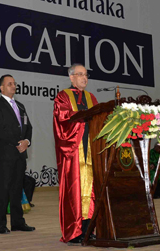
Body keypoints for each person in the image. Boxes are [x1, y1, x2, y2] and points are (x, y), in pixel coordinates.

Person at [53, 64, 98, 244]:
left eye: (86, 75)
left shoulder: (91, 97)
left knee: (90, 190)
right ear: (71, 77)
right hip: (73, 152)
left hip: (90, 150)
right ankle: (74, 232)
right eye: (80, 75)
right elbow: (63, 120)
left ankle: (88, 229)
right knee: (74, 191)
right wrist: (83, 116)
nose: (84, 78)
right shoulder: (63, 96)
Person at [0, 74, 34, 234]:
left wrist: (26, 141)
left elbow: (29, 127)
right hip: (5, 155)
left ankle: (18, 222)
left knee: (17, 189)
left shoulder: (20, 106)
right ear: (1, 87)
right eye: (9, 84)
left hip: (20, 155)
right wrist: (18, 143)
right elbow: (0, 130)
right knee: (3, 189)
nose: (13, 86)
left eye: (14, 84)